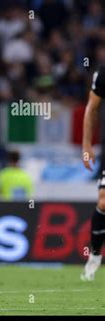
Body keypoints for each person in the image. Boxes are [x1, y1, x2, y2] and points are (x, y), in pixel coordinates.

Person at [81, 65, 105, 281]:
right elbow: (92, 108)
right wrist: (87, 145)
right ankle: (95, 254)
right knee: (104, 200)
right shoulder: (103, 73)